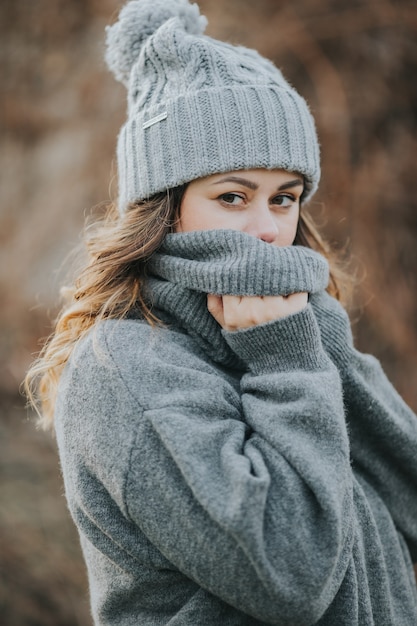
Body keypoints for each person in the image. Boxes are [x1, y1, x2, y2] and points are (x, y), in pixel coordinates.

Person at [25, 1, 417, 624]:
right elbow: (291, 577)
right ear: (165, 205)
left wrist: (322, 347)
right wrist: (287, 365)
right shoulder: (126, 367)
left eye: (284, 199)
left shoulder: (287, 326)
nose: (266, 230)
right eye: (232, 196)